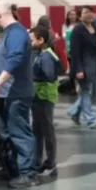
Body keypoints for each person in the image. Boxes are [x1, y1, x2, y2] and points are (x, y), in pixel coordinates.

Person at [0, 0, 37, 188]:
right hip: (7, 94)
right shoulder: (8, 33)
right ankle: (14, 169)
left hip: (15, 93)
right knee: (6, 132)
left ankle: (28, 173)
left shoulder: (16, 33)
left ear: (0, 13)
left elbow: (15, 59)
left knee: (20, 132)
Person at [68, 6, 96, 130]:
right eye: (85, 12)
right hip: (83, 65)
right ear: (80, 16)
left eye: (91, 12)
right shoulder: (78, 30)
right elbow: (74, 51)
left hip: (94, 64)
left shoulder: (94, 28)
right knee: (85, 92)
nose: (89, 14)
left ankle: (74, 111)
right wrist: (78, 69)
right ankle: (91, 120)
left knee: (94, 90)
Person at [30, 26, 59, 178]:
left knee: (47, 130)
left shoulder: (46, 56)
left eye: (32, 40)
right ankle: (38, 161)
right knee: (38, 130)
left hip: (45, 97)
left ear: (41, 40)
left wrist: (35, 77)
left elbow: (49, 75)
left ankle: (51, 162)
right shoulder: (41, 54)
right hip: (39, 97)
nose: (30, 43)